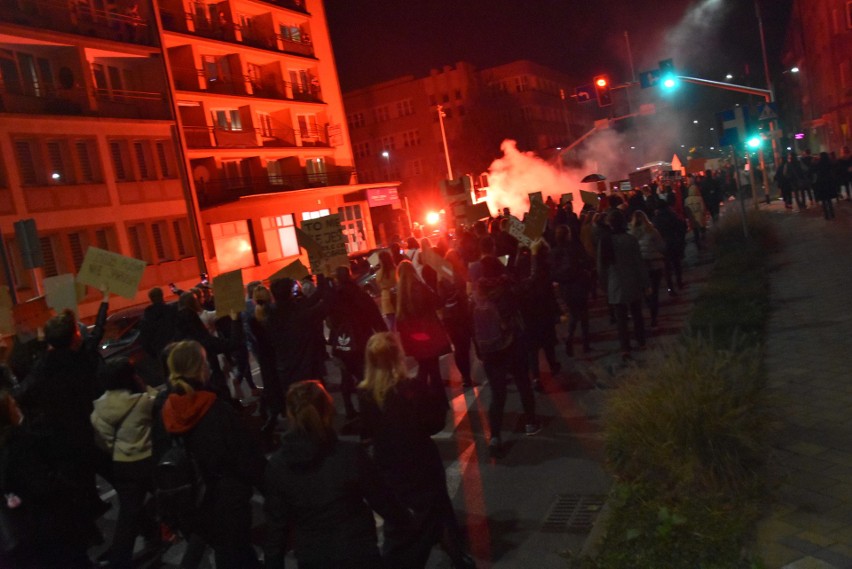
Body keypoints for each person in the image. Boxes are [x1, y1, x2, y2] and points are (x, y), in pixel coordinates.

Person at [359, 333, 475, 569]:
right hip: (419, 457)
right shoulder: (411, 387)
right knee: (437, 505)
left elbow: (367, 431)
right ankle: (456, 557)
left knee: (401, 511)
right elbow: (433, 424)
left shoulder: (365, 393)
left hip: (388, 462)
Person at [264, 380, 409, 569]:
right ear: (327, 410)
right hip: (357, 551)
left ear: (291, 414)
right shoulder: (349, 454)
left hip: (313, 556)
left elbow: (276, 528)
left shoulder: (278, 466)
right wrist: (407, 522)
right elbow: (382, 500)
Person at [157, 340, 266, 568]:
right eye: (205, 362)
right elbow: (246, 457)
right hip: (226, 501)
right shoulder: (215, 408)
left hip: (191, 502)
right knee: (234, 553)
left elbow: (158, 460)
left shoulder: (164, 410)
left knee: (229, 552)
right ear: (199, 368)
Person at [0, 390, 99, 568]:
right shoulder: (21, 444)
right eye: (12, 405)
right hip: (50, 522)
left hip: (25, 527)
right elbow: (41, 485)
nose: (17, 407)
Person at [91, 358, 159, 569]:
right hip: (148, 459)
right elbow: (159, 402)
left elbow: (104, 441)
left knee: (128, 514)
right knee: (173, 496)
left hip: (123, 465)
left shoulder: (98, 410)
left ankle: (120, 561)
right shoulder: (143, 401)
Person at [472, 255, 541, 457]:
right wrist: (534, 255)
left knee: (497, 394)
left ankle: (495, 436)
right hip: (512, 344)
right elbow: (530, 285)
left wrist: (479, 349)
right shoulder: (508, 288)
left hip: (490, 350)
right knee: (523, 383)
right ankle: (530, 422)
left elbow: (473, 326)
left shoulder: (477, 294)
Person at [327, 265, 388, 421]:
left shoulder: (334, 298)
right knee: (365, 377)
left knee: (346, 376)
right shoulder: (360, 294)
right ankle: (369, 410)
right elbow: (375, 317)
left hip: (342, 343)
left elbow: (330, 321)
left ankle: (349, 409)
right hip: (362, 342)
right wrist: (384, 334)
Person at [396, 259, 451, 406]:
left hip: (414, 339)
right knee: (433, 371)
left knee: (424, 368)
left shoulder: (399, 293)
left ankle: (421, 400)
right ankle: (439, 403)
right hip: (427, 336)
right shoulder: (420, 287)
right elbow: (438, 302)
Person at [598, 209, 650, 359]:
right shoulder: (630, 239)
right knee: (637, 314)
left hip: (615, 283)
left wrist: (603, 285)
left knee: (621, 319)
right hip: (632, 280)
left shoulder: (605, 241)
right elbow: (639, 263)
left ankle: (625, 348)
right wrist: (645, 283)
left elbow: (602, 266)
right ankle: (641, 341)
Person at [550, 224, 593, 356]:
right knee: (584, 315)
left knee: (574, 314)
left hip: (566, 288)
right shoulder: (575, 248)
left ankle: (570, 337)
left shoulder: (554, 252)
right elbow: (587, 261)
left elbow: (552, 273)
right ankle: (586, 344)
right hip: (579, 284)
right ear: (568, 235)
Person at [629, 210, 666, 329]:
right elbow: (662, 246)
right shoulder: (653, 231)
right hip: (655, 264)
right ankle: (654, 316)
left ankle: (649, 307)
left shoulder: (631, 234)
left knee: (645, 290)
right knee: (654, 291)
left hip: (641, 265)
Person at [376, 248, 398, 331]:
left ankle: (391, 340)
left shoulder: (379, 273)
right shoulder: (395, 270)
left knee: (391, 323)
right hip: (396, 296)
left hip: (386, 297)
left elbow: (378, 285)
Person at [683, 178, 707, 248]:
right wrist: (703, 215)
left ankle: (698, 245)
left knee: (695, 232)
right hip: (700, 218)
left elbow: (686, 210)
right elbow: (703, 209)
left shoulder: (686, 200)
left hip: (692, 219)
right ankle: (704, 243)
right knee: (702, 231)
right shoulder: (699, 198)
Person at [813, 151, 837, 220]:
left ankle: (826, 215)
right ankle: (832, 214)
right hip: (828, 181)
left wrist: (814, 161)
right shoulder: (829, 162)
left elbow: (813, 169)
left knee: (824, 200)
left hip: (821, 182)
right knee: (829, 199)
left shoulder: (818, 163)